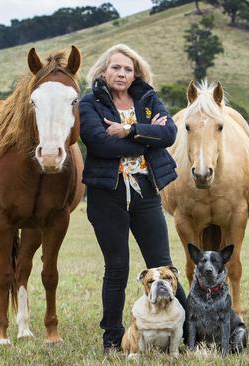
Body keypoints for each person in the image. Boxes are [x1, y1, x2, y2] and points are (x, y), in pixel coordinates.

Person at [78, 44, 187, 353]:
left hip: (146, 192)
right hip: (107, 196)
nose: (122, 73)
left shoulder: (148, 99)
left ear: (135, 73)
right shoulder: (89, 104)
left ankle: (187, 331)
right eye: (116, 68)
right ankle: (113, 340)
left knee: (163, 266)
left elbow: (169, 135)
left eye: (128, 69)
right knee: (117, 268)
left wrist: (127, 131)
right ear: (103, 71)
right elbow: (99, 144)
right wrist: (146, 139)